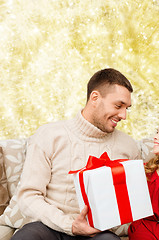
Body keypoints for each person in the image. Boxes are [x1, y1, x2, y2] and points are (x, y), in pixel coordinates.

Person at [12, 68, 141, 240]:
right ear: (94, 98)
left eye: (127, 108)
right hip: (49, 227)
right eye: (118, 106)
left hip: (97, 232)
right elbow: (28, 196)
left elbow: (134, 203)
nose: (124, 115)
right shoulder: (49, 135)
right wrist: (69, 225)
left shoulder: (128, 146)